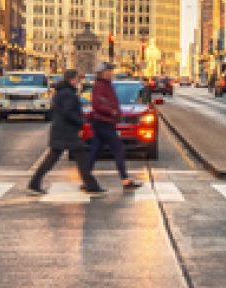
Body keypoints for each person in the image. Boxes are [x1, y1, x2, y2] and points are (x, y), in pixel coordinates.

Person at [25, 69, 102, 195]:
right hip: (67, 131)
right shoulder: (68, 94)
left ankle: (34, 183)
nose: (79, 82)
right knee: (80, 157)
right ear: (71, 80)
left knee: (53, 158)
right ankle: (91, 186)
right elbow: (68, 112)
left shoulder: (61, 92)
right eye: (77, 79)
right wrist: (81, 121)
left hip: (61, 130)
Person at [83, 63, 141, 191]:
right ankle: (125, 180)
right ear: (102, 73)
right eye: (109, 71)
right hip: (104, 122)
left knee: (95, 150)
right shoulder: (100, 86)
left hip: (103, 122)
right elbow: (97, 104)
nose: (111, 73)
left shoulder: (105, 85)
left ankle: (86, 178)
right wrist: (112, 111)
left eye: (111, 71)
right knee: (118, 149)